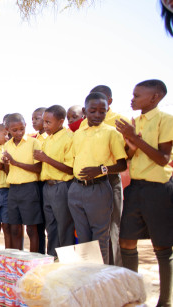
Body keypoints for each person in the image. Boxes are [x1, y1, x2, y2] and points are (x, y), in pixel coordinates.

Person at [116, 79, 173, 307]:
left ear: (155, 97)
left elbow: (163, 159)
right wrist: (130, 147)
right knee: (126, 241)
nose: (132, 99)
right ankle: (132, 296)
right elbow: (129, 157)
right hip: (136, 188)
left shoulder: (165, 120)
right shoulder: (134, 122)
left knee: (162, 245)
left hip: (158, 189)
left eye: (137, 95)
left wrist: (136, 139)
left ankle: (166, 301)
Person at [67, 92, 127, 264]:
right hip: (77, 189)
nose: (98, 115)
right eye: (93, 111)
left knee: (100, 236)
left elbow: (122, 164)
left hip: (99, 189)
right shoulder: (78, 134)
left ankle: (101, 279)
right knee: (83, 236)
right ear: (85, 111)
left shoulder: (111, 133)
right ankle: (87, 277)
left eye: (103, 111)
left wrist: (100, 170)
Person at [33, 105, 75, 257]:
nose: (44, 126)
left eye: (48, 122)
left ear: (61, 122)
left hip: (62, 186)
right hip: (47, 187)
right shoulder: (47, 139)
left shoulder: (69, 139)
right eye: (44, 122)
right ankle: (52, 258)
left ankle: (66, 263)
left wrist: (46, 159)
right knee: (51, 227)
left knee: (64, 226)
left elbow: (70, 169)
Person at [2, 114, 42, 252]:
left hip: (29, 188)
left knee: (31, 228)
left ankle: (34, 259)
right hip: (13, 189)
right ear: (7, 129)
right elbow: (8, 170)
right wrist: (6, 163)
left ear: (26, 126)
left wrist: (15, 162)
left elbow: (38, 168)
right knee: (14, 228)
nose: (19, 132)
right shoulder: (7, 145)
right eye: (14, 130)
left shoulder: (33, 143)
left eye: (21, 128)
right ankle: (17, 259)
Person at [30, 107, 47, 254]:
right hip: (37, 185)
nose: (34, 121)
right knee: (38, 224)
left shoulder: (50, 138)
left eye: (37, 118)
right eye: (33, 119)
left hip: (51, 183)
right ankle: (40, 255)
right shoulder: (32, 139)